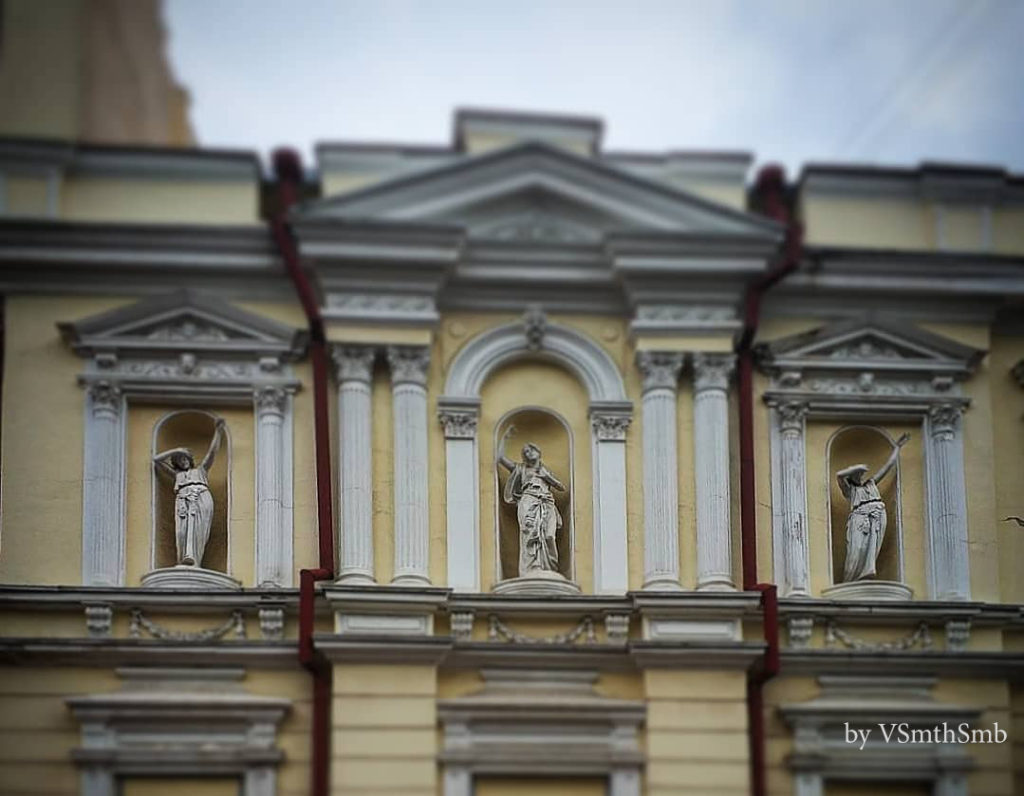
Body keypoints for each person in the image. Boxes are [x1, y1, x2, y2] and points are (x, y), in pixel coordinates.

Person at [836, 432, 909, 582]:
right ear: (853, 477)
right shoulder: (850, 490)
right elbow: (839, 475)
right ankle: (850, 580)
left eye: (862, 474)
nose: (861, 476)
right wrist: (855, 467)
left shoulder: (871, 484)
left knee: (871, 549)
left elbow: (888, 466)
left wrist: (897, 447)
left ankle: (866, 573)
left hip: (877, 514)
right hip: (859, 518)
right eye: (858, 475)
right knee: (856, 550)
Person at [154, 418, 226, 568]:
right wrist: (176, 450)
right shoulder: (177, 476)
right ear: (177, 463)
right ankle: (184, 560)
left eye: (185, 458)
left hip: (200, 498)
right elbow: (157, 460)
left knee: (198, 533)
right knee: (182, 533)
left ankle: (196, 563)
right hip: (182, 502)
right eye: (179, 459)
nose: (183, 461)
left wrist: (218, 433)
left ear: (189, 459)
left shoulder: (201, 471)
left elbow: (212, 453)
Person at [497, 426, 566, 576]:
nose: (528, 453)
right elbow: (500, 458)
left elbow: (561, 487)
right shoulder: (520, 469)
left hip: (546, 502)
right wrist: (505, 437)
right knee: (529, 533)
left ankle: (548, 568)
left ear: (538, 452)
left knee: (548, 535)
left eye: (531, 450)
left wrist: (547, 477)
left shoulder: (545, 470)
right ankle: (531, 568)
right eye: (525, 452)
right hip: (528, 500)